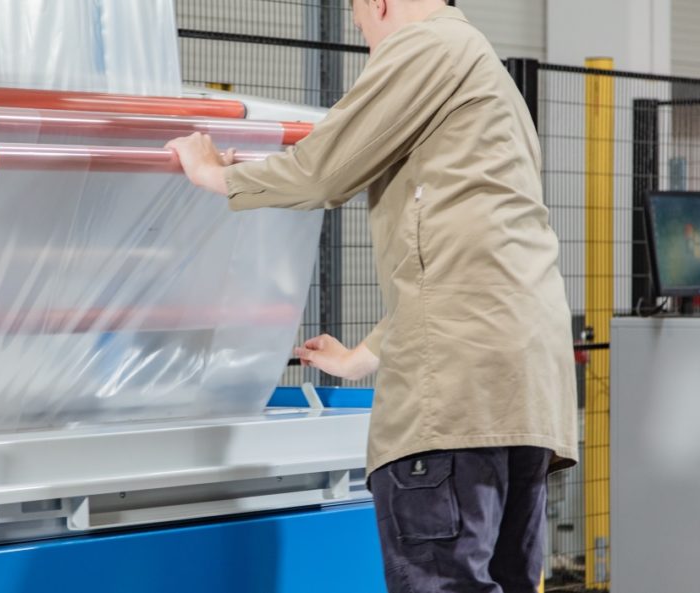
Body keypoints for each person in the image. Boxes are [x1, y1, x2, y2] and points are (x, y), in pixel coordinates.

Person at [166, 1, 578, 591]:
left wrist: (217, 175)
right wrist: (364, 356)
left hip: (457, 402)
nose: (363, 36)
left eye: (359, 19)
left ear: (379, 2)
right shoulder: (482, 70)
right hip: (522, 389)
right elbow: (471, 245)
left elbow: (324, 170)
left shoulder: (425, 47)